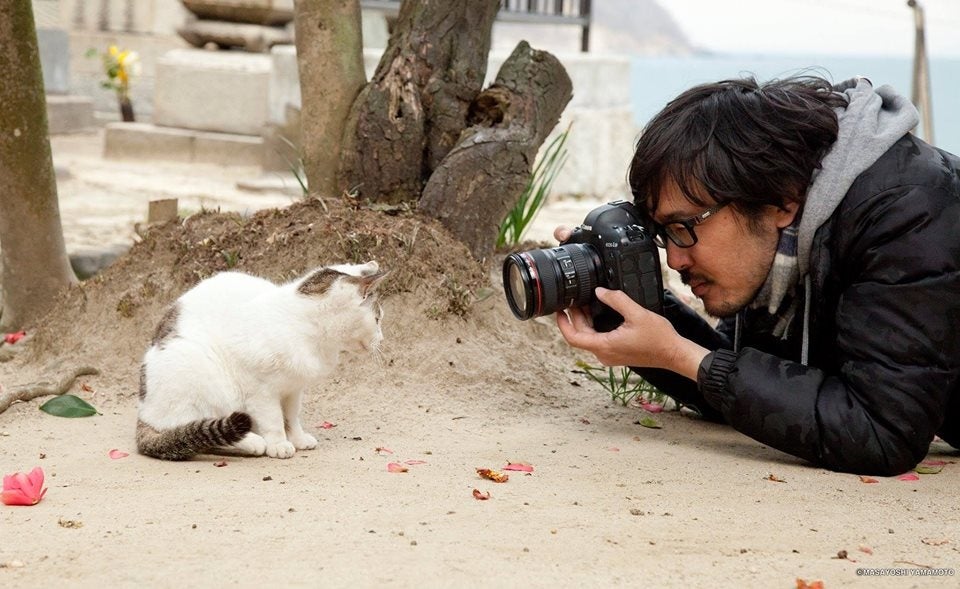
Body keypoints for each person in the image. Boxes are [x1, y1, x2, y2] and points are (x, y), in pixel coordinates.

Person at [554, 75, 960, 476]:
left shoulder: (906, 214)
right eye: (665, 233)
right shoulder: (787, 240)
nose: (674, 260)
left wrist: (678, 354)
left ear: (779, 201)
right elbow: (752, 383)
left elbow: (882, 432)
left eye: (684, 226)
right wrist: (623, 302)